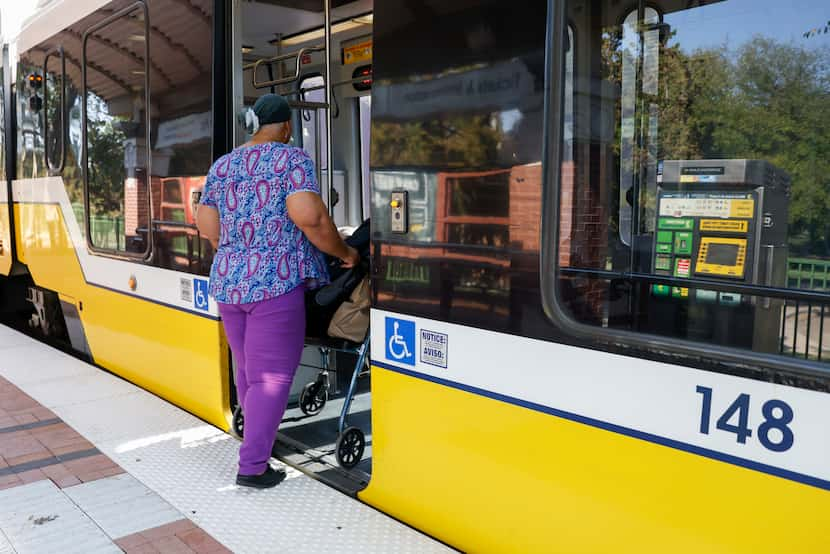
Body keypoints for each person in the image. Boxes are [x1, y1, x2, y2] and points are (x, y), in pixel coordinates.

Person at [196, 94, 359, 489]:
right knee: (271, 378)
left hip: (230, 284)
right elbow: (311, 217)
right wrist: (346, 253)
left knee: (249, 372)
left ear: (255, 125)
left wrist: (239, 255)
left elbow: (207, 226)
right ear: (287, 126)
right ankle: (253, 466)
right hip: (275, 283)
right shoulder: (291, 159)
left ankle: (254, 442)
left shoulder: (224, 164)